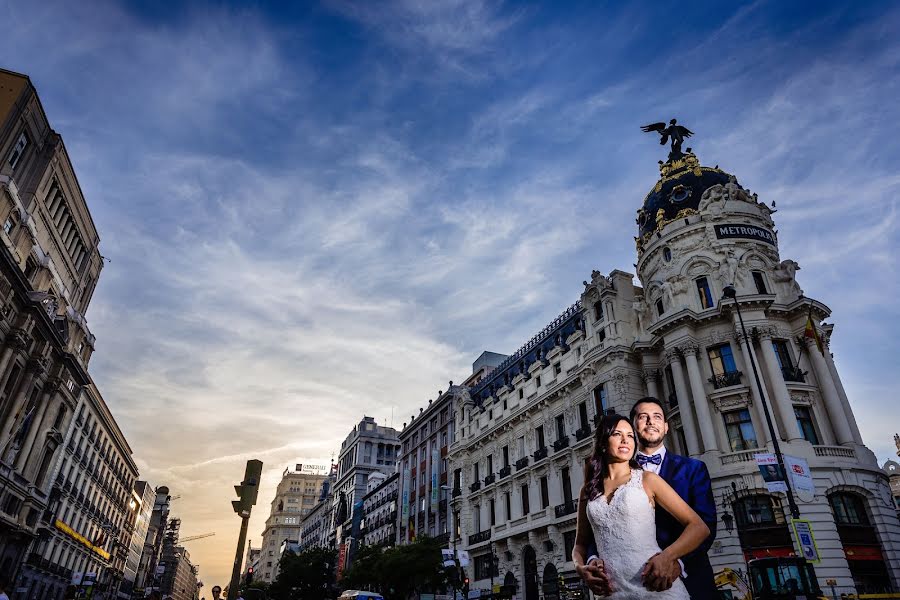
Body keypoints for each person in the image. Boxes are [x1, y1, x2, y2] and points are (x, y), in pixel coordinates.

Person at [576, 398, 718, 599]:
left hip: (687, 578)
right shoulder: (603, 476)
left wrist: (675, 561)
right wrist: (590, 560)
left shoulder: (693, 469)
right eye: (643, 417)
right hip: (616, 586)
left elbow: (706, 524)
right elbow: (594, 531)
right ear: (634, 426)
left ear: (666, 427)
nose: (651, 421)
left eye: (657, 417)